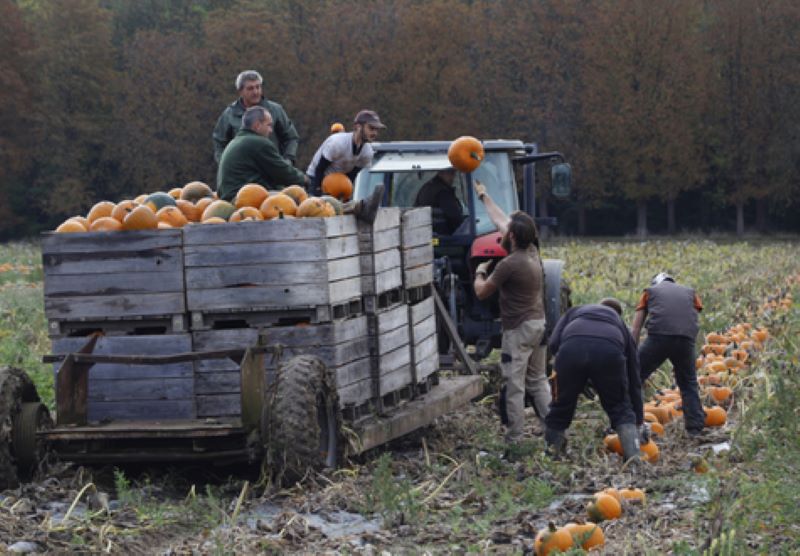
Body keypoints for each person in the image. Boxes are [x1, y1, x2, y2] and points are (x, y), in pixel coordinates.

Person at [473, 183, 550, 448]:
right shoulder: (532, 251)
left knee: (515, 385)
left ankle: (515, 440)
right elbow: (500, 220)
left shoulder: (509, 264)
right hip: (539, 325)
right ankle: (553, 433)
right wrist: (484, 195)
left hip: (518, 330)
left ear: (513, 237)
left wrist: (480, 271)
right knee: (538, 380)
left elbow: (482, 292)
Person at [544, 299, 644, 461]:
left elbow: (554, 342)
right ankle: (633, 459)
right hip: (609, 351)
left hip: (571, 348)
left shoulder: (575, 311)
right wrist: (638, 419)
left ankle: (549, 457)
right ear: (617, 314)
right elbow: (633, 376)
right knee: (620, 407)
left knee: (560, 406)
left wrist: (573, 376)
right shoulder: (619, 325)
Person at [631, 272, 706, 436]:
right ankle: (695, 427)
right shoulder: (690, 292)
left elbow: (636, 327)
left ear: (655, 283)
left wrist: (631, 353)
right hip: (686, 339)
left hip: (659, 337)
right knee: (688, 383)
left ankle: (629, 422)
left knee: (634, 376)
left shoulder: (649, 291)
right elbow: (691, 317)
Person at [216, 107, 308, 202]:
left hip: (229, 196)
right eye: (268, 125)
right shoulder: (258, 143)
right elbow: (282, 172)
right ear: (257, 125)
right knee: (294, 199)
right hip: (241, 197)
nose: (271, 130)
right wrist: (304, 179)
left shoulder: (236, 141)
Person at [213, 70, 300, 165]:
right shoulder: (229, 114)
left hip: (272, 169)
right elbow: (219, 143)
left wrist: (288, 160)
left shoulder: (275, 110)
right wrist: (225, 164)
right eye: (250, 88)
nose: (255, 92)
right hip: (243, 172)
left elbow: (291, 137)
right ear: (240, 91)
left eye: (258, 87)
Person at [306, 110, 386, 196]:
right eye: (371, 128)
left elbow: (351, 176)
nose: (374, 133)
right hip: (315, 178)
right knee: (315, 207)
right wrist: (317, 190)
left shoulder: (367, 153)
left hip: (338, 183)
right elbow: (320, 169)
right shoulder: (337, 143)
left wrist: (346, 195)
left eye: (376, 130)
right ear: (358, 127)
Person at [414, 168, 465, 234]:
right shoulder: (443, 192)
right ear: (441, 173)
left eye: (454, 173)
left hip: (425, 233)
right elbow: (455, 218)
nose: (453, 177)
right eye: (451, 173)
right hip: (444, 237)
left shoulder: (426, 187)